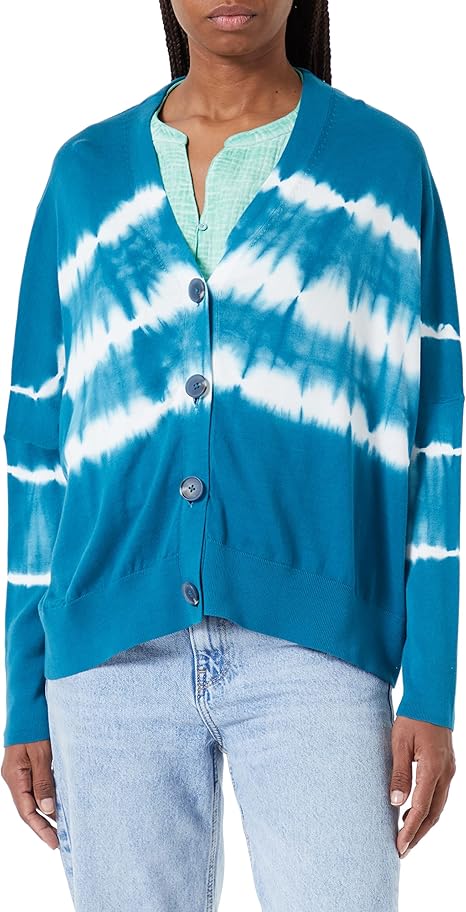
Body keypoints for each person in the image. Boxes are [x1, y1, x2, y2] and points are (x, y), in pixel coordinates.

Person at [1, 1, 463, 909]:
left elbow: (435, 437)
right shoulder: (84, 175)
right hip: (107, 662)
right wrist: (23, 690)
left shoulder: (382, 165)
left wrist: (435, 686)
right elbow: (35, 447)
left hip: (319, 655)